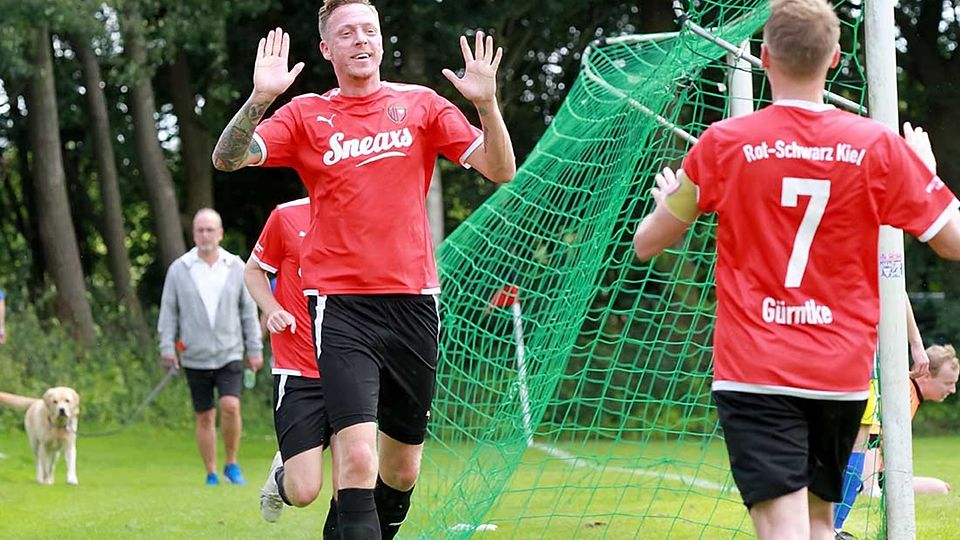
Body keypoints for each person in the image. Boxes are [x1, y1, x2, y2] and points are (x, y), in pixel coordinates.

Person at [631, 0, 960, 537]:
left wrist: (672, 204)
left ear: (764, 57)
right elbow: (953, 241)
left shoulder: (723, 145)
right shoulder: (876, 145)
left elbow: (647, 243)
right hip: (840, 375)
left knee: (784, 529)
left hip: (756, 371)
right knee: (818, 523)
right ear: (834, 58)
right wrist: (927, 173)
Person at [211, 1, 515, 537]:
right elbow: (228, 158)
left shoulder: (420, 105)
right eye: (346, 33)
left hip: (415, 302)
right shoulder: (306, 114)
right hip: (342, 307)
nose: (361, 40)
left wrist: (488, 105)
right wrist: (260, 99)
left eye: (369, 30)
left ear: (381, 39)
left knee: (401, 470)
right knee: (356, 459)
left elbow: (500, 169)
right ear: (328, 49)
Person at [244, 197, 340, 537]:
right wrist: (271, 309)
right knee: (304, 491)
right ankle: (280, 476)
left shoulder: (364, 212)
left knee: (354, 484)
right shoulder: (286, 216)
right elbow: (253, 270)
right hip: (299, 369)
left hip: (351, 369)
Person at [158, 208, 264, 485]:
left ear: (220, 233)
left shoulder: (237, 267)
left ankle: (232, 462)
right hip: (195, 355)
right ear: (193, 234)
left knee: (230, 405)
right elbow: (168, 312)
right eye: (199, 230)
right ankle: (211, 472)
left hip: (230, 352)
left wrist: (254, 349)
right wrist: (167, 348)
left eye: (210, 230)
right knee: (204, 415)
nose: (205, 235)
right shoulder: (179, 269)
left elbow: (248, 313)